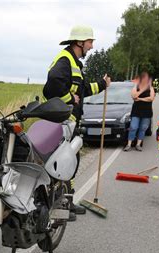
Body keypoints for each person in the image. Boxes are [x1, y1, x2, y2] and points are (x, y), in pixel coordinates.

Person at [43, 25, 111, 220]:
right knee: (65, 162)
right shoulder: (65, 60)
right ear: (80, 42)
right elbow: (51, 86)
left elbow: (83, 90)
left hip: (69, 122)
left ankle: (65, 201)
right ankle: (61, 203)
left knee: (70, 162)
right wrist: (69, 99)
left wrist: (102, 84)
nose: (91, 46)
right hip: (63, 122)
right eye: (90, 42)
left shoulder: (74, 63)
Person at [124, 72, 155, 151]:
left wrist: (140, 99)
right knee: (133, 127)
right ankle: (129, 144)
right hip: (136, 111)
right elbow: (134, 96)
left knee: (143, 128)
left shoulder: (151, 87)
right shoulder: (136, 87)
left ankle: (138, 144)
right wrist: (142, 90)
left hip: (147, 112)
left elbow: (151, 98)